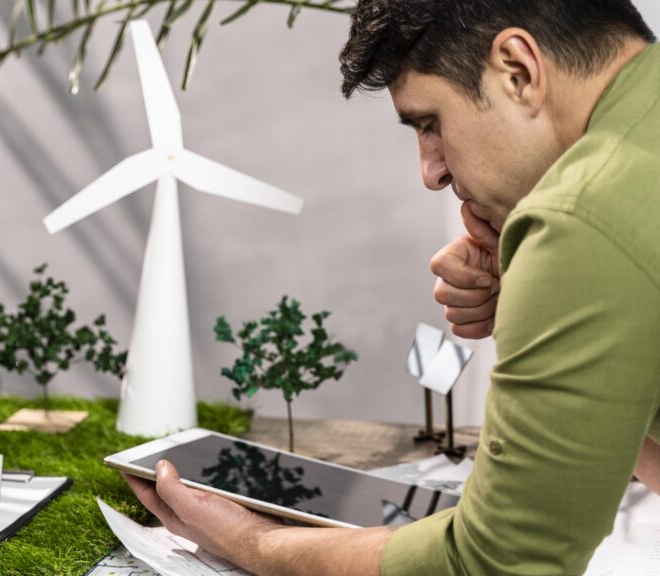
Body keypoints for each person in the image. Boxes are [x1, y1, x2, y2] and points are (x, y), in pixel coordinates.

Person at [122, 1, 660, 573]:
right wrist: (564, 316)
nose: (432, 172)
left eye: (430, 123)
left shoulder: (577, 219)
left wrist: (257, 544)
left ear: (518, 72)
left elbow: (497, 564)